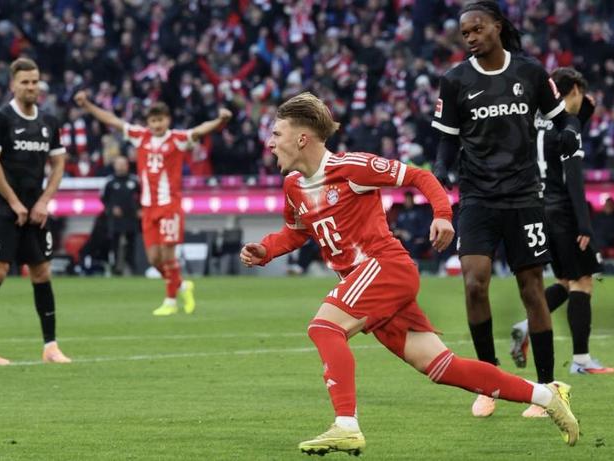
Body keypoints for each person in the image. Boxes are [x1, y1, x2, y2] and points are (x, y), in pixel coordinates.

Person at [240, 92, 579, 456]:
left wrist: (442, 216)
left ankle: (346, 425)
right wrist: (266, 250)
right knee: (443, 367)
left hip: (385, 267)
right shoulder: (293, 187)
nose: (270, 142)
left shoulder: (353, 167)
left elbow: (420, 176)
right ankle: (547, 395)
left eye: (276, 133)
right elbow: (296, 231)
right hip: (368, 284)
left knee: (324, 328)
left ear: (301, 138)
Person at [431, 1, 584, 418]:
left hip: (523, 196)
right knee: (474, 283)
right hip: (477, 197)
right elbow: (447, 139)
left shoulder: (530, 72)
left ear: (497, 26)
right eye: (465, 33)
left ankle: (547, 388)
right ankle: (489, 382)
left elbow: (562, 119)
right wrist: (440, 170)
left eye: (477, 29)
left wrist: (571, 135)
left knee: (531, 289)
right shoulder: (455, 80)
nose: (471, 37)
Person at [74, 90, 232, 315]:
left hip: (169, 206)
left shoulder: (177, 139)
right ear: (148, 122)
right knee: (154, 259)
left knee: (168, 255)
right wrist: (88, 105)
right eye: (153, 121)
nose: (157, 125)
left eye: (160, 120)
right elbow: (112, 120)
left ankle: (170, 302)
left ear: (168, 120)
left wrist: (220, 120)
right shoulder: (140, 136)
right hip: (148, 208)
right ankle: (182, 286)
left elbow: (199, 130)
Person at [509, 68, 614, 375]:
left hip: (539, 210)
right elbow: (574, 178)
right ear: (574, 91)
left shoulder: (533, 122)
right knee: (582, 282)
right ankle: (581, 361)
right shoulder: (569, 126)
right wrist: (584, 224)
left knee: (564, 281)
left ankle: (525, 325)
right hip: (564, 212)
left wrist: (584, 112)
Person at [0, 58, 70, 365]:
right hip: (4, 208)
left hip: (34, 210)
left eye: (35, 81)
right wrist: (13, 202)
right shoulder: (0, 119)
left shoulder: (49, 122)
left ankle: (51, 347)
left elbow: (59, 164)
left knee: (42, 272)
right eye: (25, 82)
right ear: (13, 85)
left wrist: (43, 201)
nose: (31, 87)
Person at [101, 156, 141, 275]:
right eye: (119, 164)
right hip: (116, 219)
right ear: (114, 166)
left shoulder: (134, 181)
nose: (121, 166)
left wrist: (140, 209)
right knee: (114, 243)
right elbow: (104, 199)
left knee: (132, 243)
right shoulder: (110, 182)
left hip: (131, 217)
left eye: (123, 164)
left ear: (127, 165)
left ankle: (132, 267)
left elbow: (142, 196)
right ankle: (115, 268)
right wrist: (111, 209)